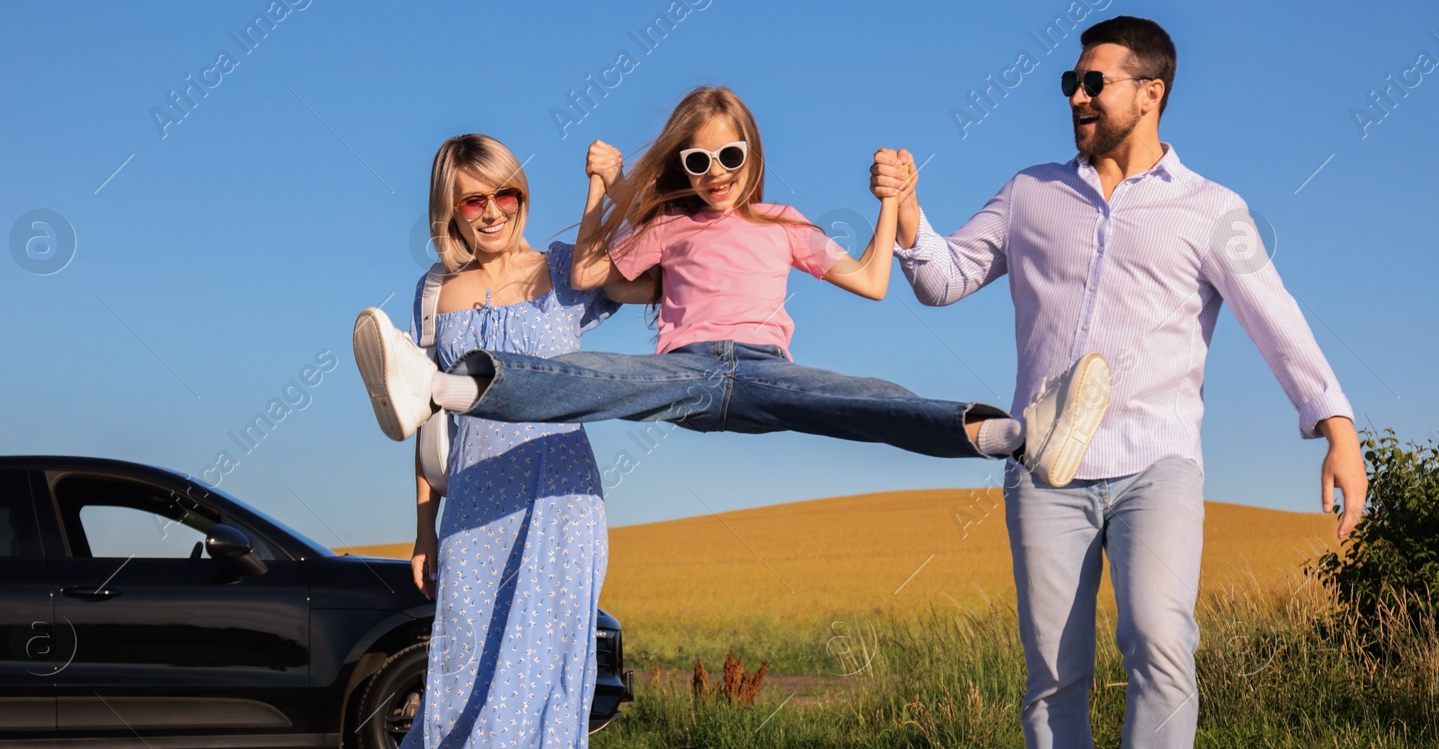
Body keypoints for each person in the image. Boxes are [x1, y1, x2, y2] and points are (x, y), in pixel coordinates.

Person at [872, 16, 1369, 749]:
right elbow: (943, 279)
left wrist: (1335, 428)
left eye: (1095, 83)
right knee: (1054, 676)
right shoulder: (1030, 193)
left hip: (1159, 462)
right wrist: (907, 210)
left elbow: (1276, 317)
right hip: (1046, 471)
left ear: (1152, 93)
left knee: (1160, 641)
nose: (1077, 97)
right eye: (1072, 81)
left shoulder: (1211, 207)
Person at [353, 86, 1113, 487]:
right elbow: (587, 273)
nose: (713, 174)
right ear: (681, 167)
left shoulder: (782, 222)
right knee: (591, 378)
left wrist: (893, 200)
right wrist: (604, 189)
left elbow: (876, 281)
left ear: (752, 155)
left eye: (729, 156)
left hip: (764, 371)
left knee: (867, 397)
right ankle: (436, 389)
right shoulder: (671, 226)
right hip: (684, 370)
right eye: (696, 162)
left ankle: (1022, 436)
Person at [372, 134, 655, 749]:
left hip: (560, 503)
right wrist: (424, 526)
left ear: (524, 196)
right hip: (474, 508)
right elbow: (421, 416)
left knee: (554, 697)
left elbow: (652, 273)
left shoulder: (570, 265)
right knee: (460, 697)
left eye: (505, 195)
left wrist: (612, 184)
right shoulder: (437, 295)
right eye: (472, 199)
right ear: (451, 208)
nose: (492, 211)